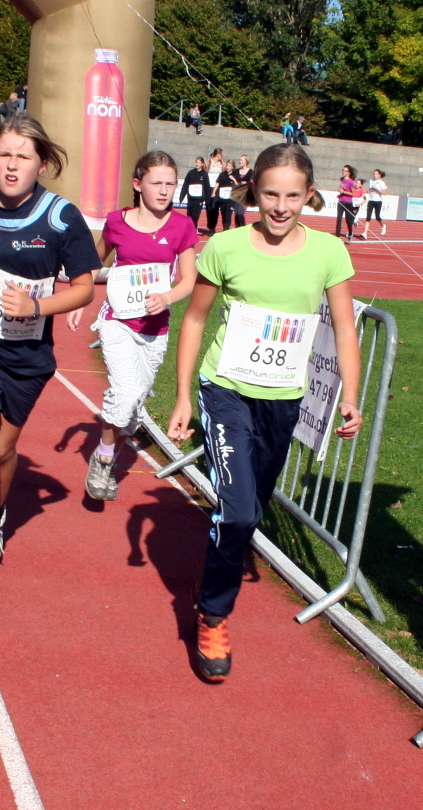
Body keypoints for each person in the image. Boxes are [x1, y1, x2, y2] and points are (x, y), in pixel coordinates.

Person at [168, 143, 362, 682]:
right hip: (225, 390)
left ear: (309, 195)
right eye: (270, 194)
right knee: (237, 512)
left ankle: (212, 579)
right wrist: (183, 396)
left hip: (283, 400)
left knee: (251, 510)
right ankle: (213, 614)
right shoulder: (225, 246)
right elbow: (194, 320)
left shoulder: (328, 252)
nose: (280, 207)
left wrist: (350, 395)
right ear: (253, 189)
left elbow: (345, 328)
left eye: (292, 196)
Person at [0, 115, 100, 629]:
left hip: (27, 355)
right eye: (4, 154)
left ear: (42, 164)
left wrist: (37, 307)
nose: (12, 166)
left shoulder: (60, 216)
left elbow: (84, 286)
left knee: (5, 453)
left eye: (23, 157)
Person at [67, 150, 197, 502]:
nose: (164, 190)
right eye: (157, 183)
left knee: (135, 407)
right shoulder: (117, 222)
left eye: (170, 184)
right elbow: (94, 263)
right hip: (118, 322)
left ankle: (109, 458)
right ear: (138, 184)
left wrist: (166, 298)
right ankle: (102, 458)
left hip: (155, 330)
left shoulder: (182, 226)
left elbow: (189, 280)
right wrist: (79, 299)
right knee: (125, 394)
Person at [179, 156, 211, 232]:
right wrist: (181, 196)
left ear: (202, 164)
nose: (197, 164)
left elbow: (207, 187)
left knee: (195, 215)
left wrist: (208, 200)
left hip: (199, 199)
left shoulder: (204, 174)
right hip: (191, 198)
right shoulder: (191, 173)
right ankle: (189, 229)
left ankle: (193, 229)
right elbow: (185, 185)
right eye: (196, 162)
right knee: (189, 215)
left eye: (199, 163)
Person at [211, 159, 238, 232]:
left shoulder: (235, 174)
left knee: (228, 215)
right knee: (223, 215)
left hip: (230, 199)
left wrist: (234, 179)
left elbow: (238, 186)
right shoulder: (222, 174)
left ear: (233, 167)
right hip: (222, 198)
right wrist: (214, 192)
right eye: (227, 165)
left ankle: (226, 230)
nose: (227, 167)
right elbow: (217, 183)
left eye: (229, 166)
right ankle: (225, 228)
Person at [363, 170, 387, 240]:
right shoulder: (371, 181)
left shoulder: (381, 183)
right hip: (371, 200)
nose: (374, 175)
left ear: (379, 175)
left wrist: (377, 189)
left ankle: (383, 225)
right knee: (368, 217)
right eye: (374, 174)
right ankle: (365, 233)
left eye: (376, 174)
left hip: (378, 201)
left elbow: (384, 193)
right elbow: (370, 190)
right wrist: (365, 192)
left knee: (377, 217)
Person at [335, 164, 356, 240]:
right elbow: (342, 189)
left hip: (348, 203)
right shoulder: (342, 180)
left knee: (348, 220)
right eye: (343, 170)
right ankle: (337, 236)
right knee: (339, 219)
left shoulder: (351, 182)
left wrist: (343, 192)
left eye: (345, 170)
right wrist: (340, 194)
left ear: (348, 172)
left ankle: (350, 233)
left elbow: (353, 194)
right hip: (341, 202)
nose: (343, 172)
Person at [206, 148, 225, 234]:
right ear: (218, 154)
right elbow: (204, 173)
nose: (223, 156)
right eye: (222, 154)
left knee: (215, 207)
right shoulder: (209, 162)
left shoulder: (222, 163)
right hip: (209, 187)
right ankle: (210, 225)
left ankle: (213, 228)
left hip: (217, 188)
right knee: (209, 207)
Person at [232, 155, 252, 227]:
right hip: (237, 194)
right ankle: (238, 228)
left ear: (246, 161)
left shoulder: (251, 172)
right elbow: (230, 176)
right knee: (236, 213)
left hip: (245, 194)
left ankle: (242, 227)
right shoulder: (236, 171)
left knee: (240, 213)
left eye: (242, 160)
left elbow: (253, 182)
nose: (240, 161)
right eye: (240, 160)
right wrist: (234, 180)